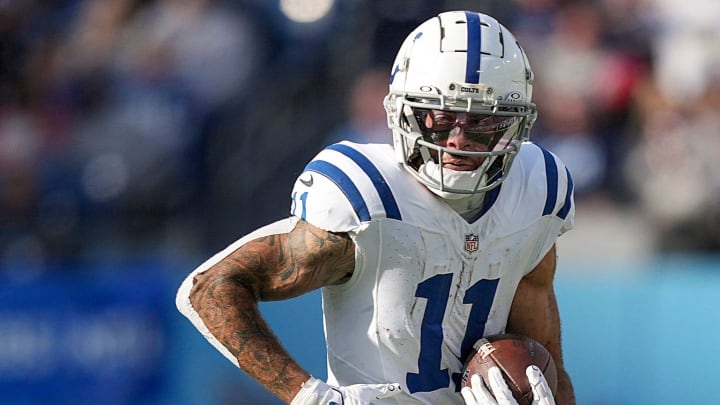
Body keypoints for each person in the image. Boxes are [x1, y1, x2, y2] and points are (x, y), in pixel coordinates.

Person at [177, 10, 576, 405]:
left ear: (515, 125)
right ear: (403, 112)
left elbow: (548, 360)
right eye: (438, 118)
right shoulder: (369, 198)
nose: (457, 139)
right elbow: (210, 288)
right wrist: (308, 396)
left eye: (482, 122)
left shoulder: (536, 192)